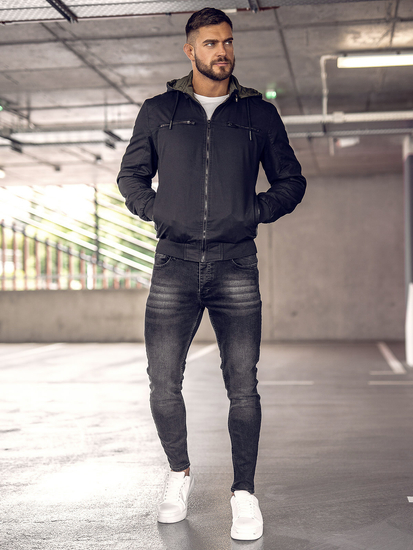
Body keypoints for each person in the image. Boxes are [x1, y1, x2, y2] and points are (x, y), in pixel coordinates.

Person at [117, 7, 306, 541]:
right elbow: (131, 176)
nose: (222, 51)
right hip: (173, 264)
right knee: (162, 382)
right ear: (190, 51)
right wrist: (159, 211)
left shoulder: (258, 114)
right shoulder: (160, 110)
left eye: (227, 42)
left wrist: (254, 211)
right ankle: (178, 474)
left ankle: (244, 494)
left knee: (243, 386)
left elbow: (291, 181)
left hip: (235, 263)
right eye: (210, 43)